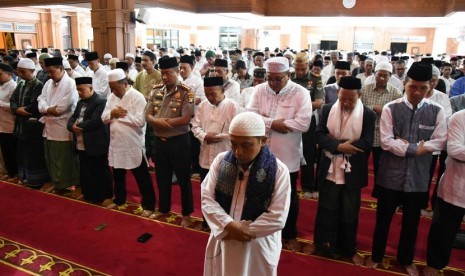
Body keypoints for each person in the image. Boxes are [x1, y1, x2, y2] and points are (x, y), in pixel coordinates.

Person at [366, 62, 448, 276]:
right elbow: (385, 141)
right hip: (390, 176)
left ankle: (406, 259)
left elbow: (440, 142)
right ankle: (376, 256)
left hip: (418, 179)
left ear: (430, 87)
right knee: (383, 220)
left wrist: (404, 145)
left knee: (412, 224)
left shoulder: (437, 111)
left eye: (423, 88)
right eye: (413, 87)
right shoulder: (391, 108)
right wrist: (418, 148)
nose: (417, 92)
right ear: (404, 84)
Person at [201, 111, 291, 276]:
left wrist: (241, 231)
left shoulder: (278, 170)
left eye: (246, 145)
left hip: (256, 243)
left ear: (262, 141)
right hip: (224, 236)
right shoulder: (221, 161)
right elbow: (207, 199)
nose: (238, 152)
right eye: (233, 144)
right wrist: (229, 225)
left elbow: (277, 217)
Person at [248, 56, 311, 251]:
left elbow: (303, 123)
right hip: (260, 154)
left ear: (288, 75)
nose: (273, 83)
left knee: (287, 197)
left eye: (278, 79)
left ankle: (289, 234)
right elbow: (250, 115)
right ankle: (259, 231)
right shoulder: (259, 90)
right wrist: (275, 123)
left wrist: (265, 120)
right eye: (270, 78)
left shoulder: (301, 93)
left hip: (287, 155)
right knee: (258, 193)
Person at [313, 76, 376, 263]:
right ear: (338, 94)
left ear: (360, 95)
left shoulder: (368, 114)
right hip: (329, 168)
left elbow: (366, 142)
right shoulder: (326, 109)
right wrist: (339, 147)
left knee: (349, 212)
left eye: (351, 99)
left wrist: (336, 145)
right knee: (326, 208)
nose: (346, 103)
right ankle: (322, 244)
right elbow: (318, 134)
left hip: (352, 171)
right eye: (343, 99)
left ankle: (348, 249)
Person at [145, 57, 195, 227]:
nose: (165, 77)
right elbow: (148, 114)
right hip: (160, 141)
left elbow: (186, 118)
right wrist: (157, 122)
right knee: (161, 177)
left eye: (168, 73)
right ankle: (163, 208)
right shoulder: (156, 90)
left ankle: (187, 213)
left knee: (183, 179)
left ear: (177, 71)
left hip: (179, 141)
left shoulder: (187, 91)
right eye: (163, 73)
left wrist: (161, 122)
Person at [102, 69, 156, 217]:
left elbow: (140, 121)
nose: (113, 91)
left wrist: (119, 115)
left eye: (116, 87)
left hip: (133, 144)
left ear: (125, 84)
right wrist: (112, 113)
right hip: (116, 143)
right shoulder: (111, 96)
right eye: (111, 88)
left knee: (142, 177)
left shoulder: (137, 97)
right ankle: (119, 200)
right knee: (118, 175)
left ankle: (149, 205)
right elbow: (103, 117)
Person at [191, 76, 241, 230]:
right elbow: (194, 126)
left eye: (213, 94)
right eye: (207, 94)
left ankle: (225, 224)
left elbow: (237, 131)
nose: (210, 98)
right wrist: (205, 136)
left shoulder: (233, 107)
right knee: (207, 192)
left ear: (223, 90)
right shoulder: (203, 105)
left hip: (226, 156)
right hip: (206, 156)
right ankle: (207, 222)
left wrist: (218, 137)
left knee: (225, 193)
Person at [423, 109, 465, 276]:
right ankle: (434, 265)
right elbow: (454, 149)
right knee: (444, 230)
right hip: (457, 185)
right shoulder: (459, 117)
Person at [67, 77, 113, 206]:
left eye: (82, 90)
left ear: (91, 88)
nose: (79, 93)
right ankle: (89, 194)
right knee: (86, 170)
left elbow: (96, 121)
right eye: (78, 90)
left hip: (96, 142)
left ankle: (106, 195)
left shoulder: (101, 101)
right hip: (81, 141)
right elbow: (73, 117)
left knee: (100, 170)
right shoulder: (80, 102)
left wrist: (78, 127)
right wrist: (71, 126)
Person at [37, 57, 80, 194]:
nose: (49, 75)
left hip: (62, 127)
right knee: (51, 157)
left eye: (51, 71)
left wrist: (46, 109)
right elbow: (41, 100)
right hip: (49, 126)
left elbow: (62, 108)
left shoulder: (71, 84)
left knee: (64, 158)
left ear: (61, 69)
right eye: (47, 72)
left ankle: (69, 183)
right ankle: (57, 182)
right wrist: (49, 109)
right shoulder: (48, 83)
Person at [360, 61, 403, 197]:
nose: (382, 78)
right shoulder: (364, 90)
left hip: (383, 136)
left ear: (390, 76)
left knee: (381, 167)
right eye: (380, 75)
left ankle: (378, 192)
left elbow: (399, 116)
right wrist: (372, 108)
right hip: (364, 134)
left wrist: (383, 110)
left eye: (386, 76)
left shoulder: (396, 94)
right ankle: (357, 188)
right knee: (360, 165)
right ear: (375, 74)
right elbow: (357, 109)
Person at [10, 58, 50, 187]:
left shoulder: (38, 85)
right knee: (22, 153)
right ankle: (24, 177)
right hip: (21, 124)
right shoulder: (21, 84)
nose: (20, 74)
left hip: (32, 126)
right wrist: (17, 109)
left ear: (32, 71)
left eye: (23, 72)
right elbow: (13, 100)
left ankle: (36, 180)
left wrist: (23, 110)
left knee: (34, 154)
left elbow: (35, 104)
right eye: (19, 72)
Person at [292, 52, 324, 199]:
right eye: (297, 69)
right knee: (289, 151)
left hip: (307, 120)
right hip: (290, 119)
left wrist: (301, 105)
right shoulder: (289, 77)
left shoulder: (315, 79)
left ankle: (308, 187)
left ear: (308, 66)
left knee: (308, 155)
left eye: (302, 69)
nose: (299, 72)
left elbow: (319, 102)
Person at [0, 63, 18, 181]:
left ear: (9, 74)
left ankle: (15, 173)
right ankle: (9, 171)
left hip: (10, 123)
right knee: (5, 150)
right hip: (1, 124)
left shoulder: (14, 86)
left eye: (0, 74)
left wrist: (0, 104)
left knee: (13, 150)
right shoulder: (1, 86)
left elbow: (14, 106)